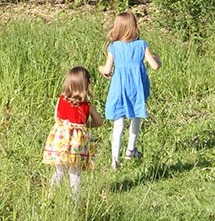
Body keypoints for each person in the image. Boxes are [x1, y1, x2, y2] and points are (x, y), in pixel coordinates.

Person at [98, 12, 161, 170]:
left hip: (119, 88)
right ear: (134, 26)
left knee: (118, 122)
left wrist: (100, 69)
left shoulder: (114, 47)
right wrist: (158, 59)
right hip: (137, 88)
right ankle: (130, 149)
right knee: (136, 115)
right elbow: (155, 66)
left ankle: (115, 161)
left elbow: (107, 69)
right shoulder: (142, 45)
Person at [43, 66, 103, 197]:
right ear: (87, 83)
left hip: (61, 142)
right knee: (75, 172)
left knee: (59, 170)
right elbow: (99, 122)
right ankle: (74, 199)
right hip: (77, 144)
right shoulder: (87, 105)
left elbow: (57, 118)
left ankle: (49, 197)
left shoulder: (61, 99)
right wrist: (83, 125)